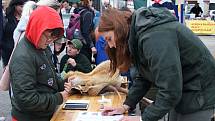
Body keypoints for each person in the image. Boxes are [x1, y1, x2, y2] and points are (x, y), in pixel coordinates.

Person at [96, 7, 215, 121]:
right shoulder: (139, 34)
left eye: (109, 39)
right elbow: (144, 76)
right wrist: (126, 105)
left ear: (119, 29)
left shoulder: (153, 37)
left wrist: (144, 118)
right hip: (183, 91)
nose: (111, 46)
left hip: (199, 94)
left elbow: (171, 89)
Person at [9, 6, 72, 121]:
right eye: (47, 37)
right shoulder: (23, 56)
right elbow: (26, 99)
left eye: (53, 38)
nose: (49, 41)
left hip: (43, 114)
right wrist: (58, 98)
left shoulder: (41, 46)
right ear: (36, 28)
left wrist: (63, 84)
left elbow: (51, 74)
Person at [1, 0, 25, 67]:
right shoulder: (6, 19)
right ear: (15, 6)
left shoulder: (25, 19)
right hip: (8, 53)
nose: (23, 9)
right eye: (21, 6)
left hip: (22, 53)